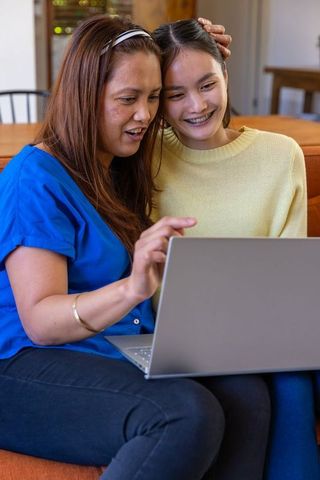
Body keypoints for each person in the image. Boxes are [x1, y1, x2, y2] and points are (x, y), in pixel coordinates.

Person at [0, 14, 270, 480]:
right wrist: (132, 288)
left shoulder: (120, 165)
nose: (145, 115)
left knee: (245, 390)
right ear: (85, 97)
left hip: (108, 348)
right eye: (128, 99)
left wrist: (192, 43)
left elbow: (197, 116)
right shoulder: (35, 177)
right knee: (183, 412)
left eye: (152, 97)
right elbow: (42, 322)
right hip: (22, 365)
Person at [152, 19, 319, 480]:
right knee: (280, 388)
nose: (198, 105)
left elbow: (292, 268)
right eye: (174, 93)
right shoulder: (142, 159)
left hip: (271, 325)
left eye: (207, 84)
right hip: (182, 337)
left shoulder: (280, 154)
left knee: (293, 377)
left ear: (226, 73)